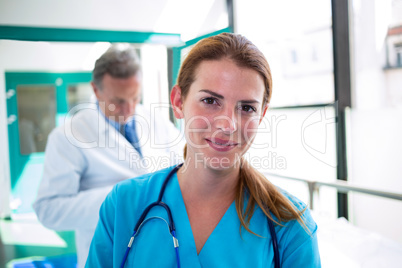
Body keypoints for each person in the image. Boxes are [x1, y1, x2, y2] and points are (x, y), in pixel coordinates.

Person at [86, 33, 321, 267]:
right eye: (210, 101)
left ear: (261, 115)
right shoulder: (124, 205)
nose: (228, 124)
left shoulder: (290, 226)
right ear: (178, 102)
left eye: (247, 107)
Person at [33, 44, 184, 268]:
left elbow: (183, 166)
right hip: (107, 256)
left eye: (135, 98)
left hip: (161, 252)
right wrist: (122, 196)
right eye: (119, 101)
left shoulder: (156, 121)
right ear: (95, 90)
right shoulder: (68, 136)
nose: (129, 109)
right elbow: (48, 210)